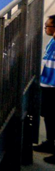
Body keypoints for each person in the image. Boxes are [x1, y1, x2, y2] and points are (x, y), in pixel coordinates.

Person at [36, 14, 55, 161]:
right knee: (49, 117)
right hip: (47, 85)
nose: (45, 29)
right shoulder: (52, 41)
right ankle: (50, 143)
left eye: (47, 26)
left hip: (53, 86)